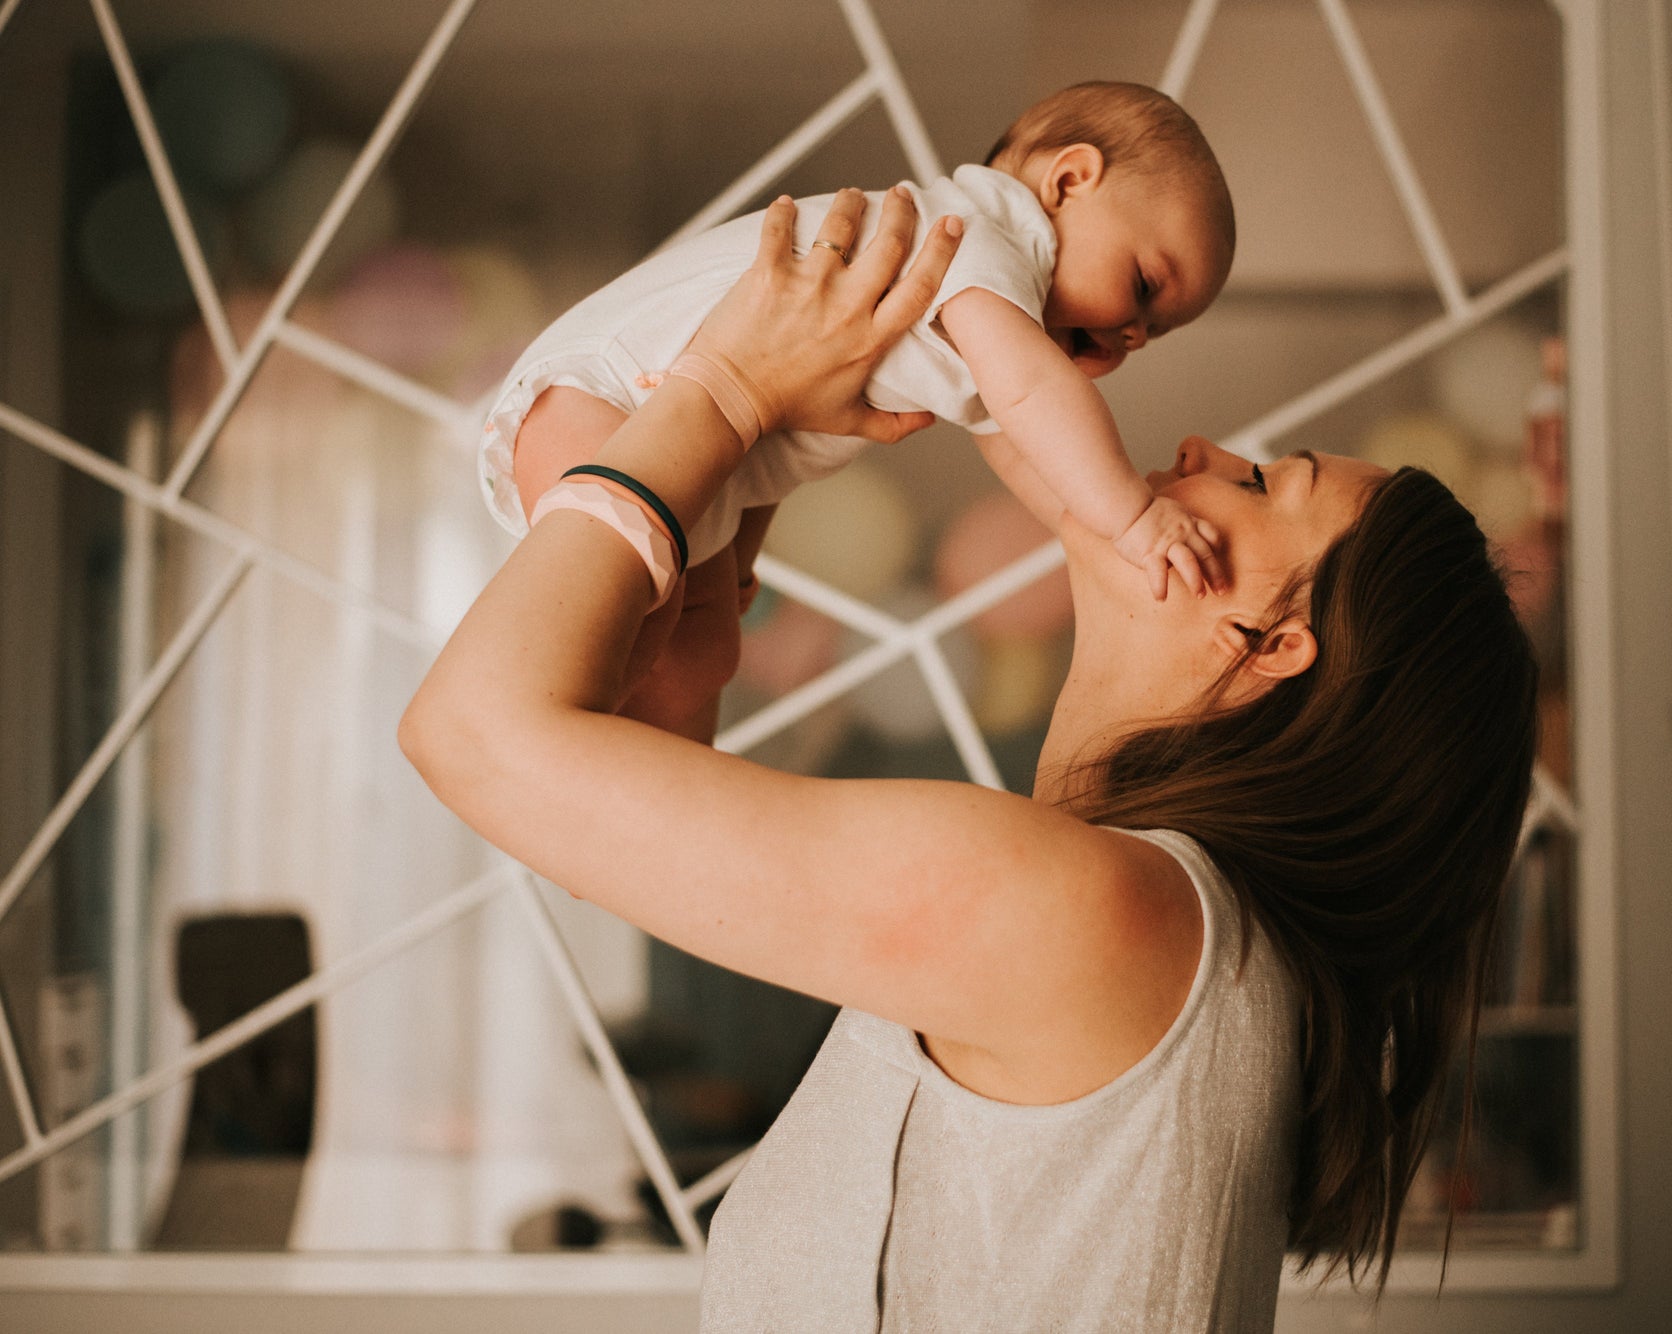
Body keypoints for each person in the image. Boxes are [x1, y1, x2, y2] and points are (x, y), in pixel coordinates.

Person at [402, 187, 1539, 1329]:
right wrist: (719, 539)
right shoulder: (1141, 923)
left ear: (1269, 644)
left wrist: (726, 394)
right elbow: (592, 825)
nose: (1199, 447)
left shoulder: (1092, 914)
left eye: (1255, 486)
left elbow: (474, 735)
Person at [477, 82, 1237, 745]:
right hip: (607, 398)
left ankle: (633, 804)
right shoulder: (979, 235)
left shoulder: (990, 325)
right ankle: (569, 773)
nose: (1135, 333)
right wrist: (1134, 518)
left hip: (677, 438)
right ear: (1068, 180)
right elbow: (1036, 398)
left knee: (701, 661)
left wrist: (1098, 541)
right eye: (1144, 286)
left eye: (1155, 332)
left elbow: (1023, 443)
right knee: (603, 661)